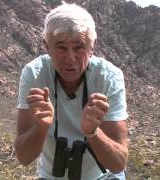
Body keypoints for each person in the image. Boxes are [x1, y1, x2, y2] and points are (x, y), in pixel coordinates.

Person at [14, 2, 129, 180]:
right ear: (47, 46)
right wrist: (41, 127)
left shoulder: (109, 77)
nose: (70, 59)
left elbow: (118, 163)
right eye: (61, 47)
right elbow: (24, 157)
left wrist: (93, 132)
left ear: (92, 47)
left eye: (79, 47)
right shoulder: (34, 74)